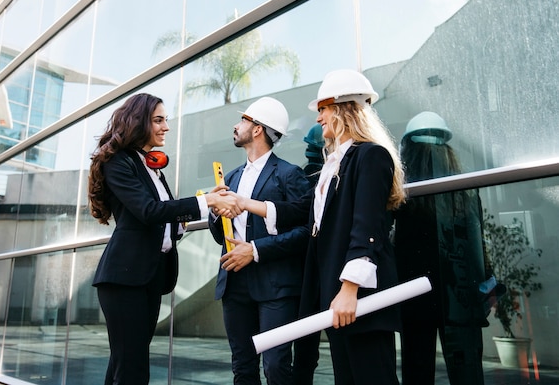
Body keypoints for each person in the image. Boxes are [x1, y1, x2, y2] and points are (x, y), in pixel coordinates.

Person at [227, 70, 406, 385]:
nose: (319, 117)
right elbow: (300, 215)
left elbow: (366, 226)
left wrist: (350, 289)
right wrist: (243, 203)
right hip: (333, 296)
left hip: (355, 297)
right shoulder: (333, 164)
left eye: (323, 109)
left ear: (342, 108)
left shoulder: (371, 156)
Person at [87, 93, 240, 384]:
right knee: (132, 370)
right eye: (158, 120)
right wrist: (205, 201)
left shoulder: (152, 166)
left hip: (149, 277)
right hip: (123, 279)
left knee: (124, 367)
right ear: (138, 122)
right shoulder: (119, 162)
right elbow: (149, 211)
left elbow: (163, 219)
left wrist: (200, 209)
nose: (165, 127)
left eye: (165, 120)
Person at [209, 96, 311, 384]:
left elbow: (305, 232)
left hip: (276, 285)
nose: (236, 125)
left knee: (276, 366)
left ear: (257, 129)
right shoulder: (230, 177)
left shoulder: (290, 175)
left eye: (242, 120)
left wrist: (255, 250)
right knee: (242, 368)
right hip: (234, 283)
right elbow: (220, 235)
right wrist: (216, 212)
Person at [393, 111, 494, 385]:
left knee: (417, 369)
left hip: (415, 293)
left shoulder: (402, 193)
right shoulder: (465, 190)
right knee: (467, 373)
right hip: (460, 292)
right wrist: (487, 282)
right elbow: (477, 241)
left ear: (409, 150)